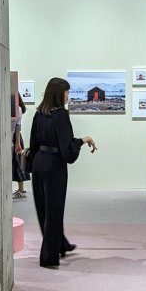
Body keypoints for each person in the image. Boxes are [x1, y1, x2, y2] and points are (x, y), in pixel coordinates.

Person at [28, 77, 97, 268]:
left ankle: (60, 244)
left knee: (43, 209)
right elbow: (67, 150)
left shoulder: (39, 114)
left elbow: (33, 143)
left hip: (39, 164)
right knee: (54, 211)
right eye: (67, 91)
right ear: (59, 93)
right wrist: (83, 140)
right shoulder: (61, 116)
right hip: (54, 166)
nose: (68, 95)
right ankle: (48, 257)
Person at [11, 92, 29, 199]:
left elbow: (18, 127)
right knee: (16, 162)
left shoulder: (18, 109)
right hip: (14, 137)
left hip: (15, 137)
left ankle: (21, 190)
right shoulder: (16, 108)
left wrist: (17, 143)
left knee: (17, 162)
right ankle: (20, 189)